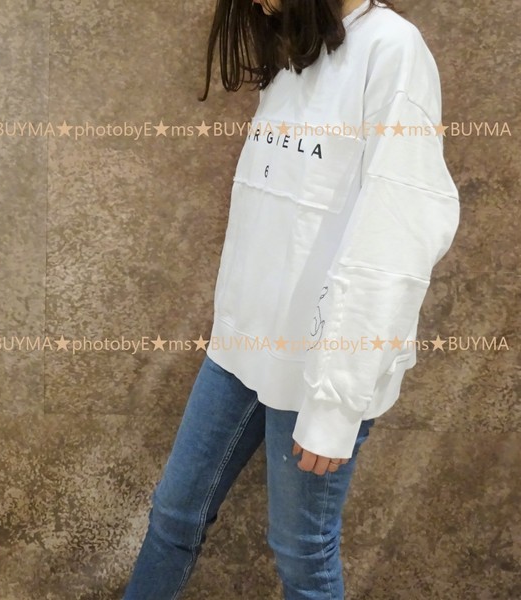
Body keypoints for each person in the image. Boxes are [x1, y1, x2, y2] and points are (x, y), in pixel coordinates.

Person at [122, 0, 460, 598]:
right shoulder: (295, 55)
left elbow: (395, 237)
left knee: (301, 550)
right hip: (242, 344)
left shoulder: (391, 49)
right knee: (174, 515)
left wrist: (336, 404)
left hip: (321, 361)